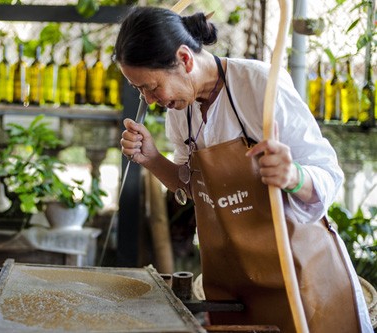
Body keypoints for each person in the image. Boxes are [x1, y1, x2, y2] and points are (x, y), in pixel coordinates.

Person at [114, 6, 373, 333]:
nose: (149, 100)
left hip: (299, 275)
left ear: (185, 59)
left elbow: (329, 175)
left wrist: (293, 176)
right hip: (236, 281)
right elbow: (195, 188)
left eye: (151, 86)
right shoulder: (181, 111)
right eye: (140, 90)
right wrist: (152, 158)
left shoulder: (260, 84)